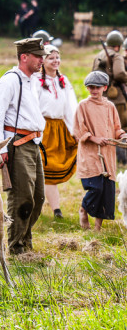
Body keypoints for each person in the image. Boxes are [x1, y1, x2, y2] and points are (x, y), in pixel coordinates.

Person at [0, 37, 47, 255]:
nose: (42, 60)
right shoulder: (10, 81)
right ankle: (15, 247)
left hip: (33, 143)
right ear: (24, 57)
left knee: (38, 198)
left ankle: (25, 239)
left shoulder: (31, 81)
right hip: (17, 145)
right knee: (21, 198)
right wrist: (1, 149)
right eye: (38, 56)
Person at [73, 71, 127, 231]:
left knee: (106, 193)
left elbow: (117, 128)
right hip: (91, 154)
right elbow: (78, 129)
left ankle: (97, 227)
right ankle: (84, 209)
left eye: (97, 87)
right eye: (90, 87)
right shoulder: (83, 106)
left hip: (108, 155)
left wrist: (122, 135)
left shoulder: (110, 106)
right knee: (95, 187)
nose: (94, 90)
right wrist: (94, 138)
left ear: (105, 87)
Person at [33, 44, 77, 219]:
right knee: (42, 169)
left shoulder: (63, 81)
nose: (56, 60)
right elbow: (33, 107)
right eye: (51, 58)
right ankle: (42, 205)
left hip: (59, 129)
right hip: (43, 128)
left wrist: (74, 130)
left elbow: (71, 107)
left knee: (52, 169)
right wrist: (36, 130)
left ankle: (55, 209)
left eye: (57, 57)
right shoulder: (35, 81)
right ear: (42, 60)